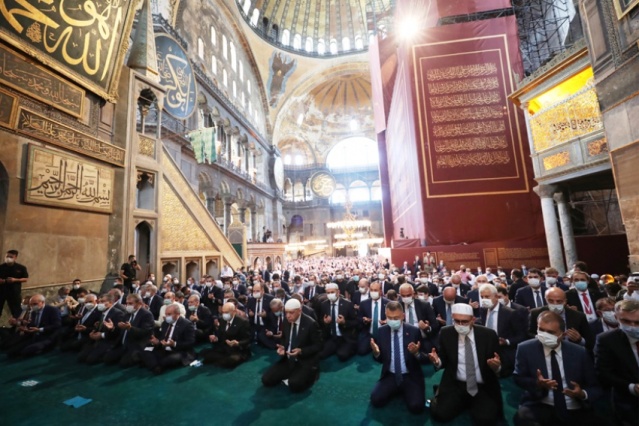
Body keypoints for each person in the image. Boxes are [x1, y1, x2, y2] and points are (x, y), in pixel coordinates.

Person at [513, 311, 603, 425]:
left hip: (574, 406)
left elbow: (595, 387)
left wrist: (582, 394)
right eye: (541, 330)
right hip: (541, 403)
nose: (544, 335)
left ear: (563, 334)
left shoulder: (579, 352)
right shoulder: (525, 349)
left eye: (550, 332)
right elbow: (519, 378)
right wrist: (537, 383)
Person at [428, 303, 503, 425]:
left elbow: (500, 361)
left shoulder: (488, 335)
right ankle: (440, 392)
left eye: (464, 321)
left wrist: (497, 367)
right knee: (440, 414)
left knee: (486, 420)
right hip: (456, 383)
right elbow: (443, 359)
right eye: (457, 321)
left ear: (473, 320)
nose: (460, 325)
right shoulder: (446, 333)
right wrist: (437, 361)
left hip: (481, 385)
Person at [369, 301, 425, 414]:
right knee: (376, 400)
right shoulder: (381, 331)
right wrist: (376, 353)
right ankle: (396, 389)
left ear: (403, 316)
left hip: (410, 375)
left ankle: (404, 390)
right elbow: (379, 360)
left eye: (396, 318)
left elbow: (424, 358)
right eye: (389, 317)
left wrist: (416, 353)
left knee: (417, 407)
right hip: (390, 375)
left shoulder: (414, 331)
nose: (392, 321)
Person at [261, 299, 323, 393]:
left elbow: (318, 346)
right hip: (288, 359)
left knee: (294, 385)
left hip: (304, 360)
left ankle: (312, 374)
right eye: (286, 312)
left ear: (299, 311)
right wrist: (282, 347)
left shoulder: (311, 324)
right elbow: (284, 338)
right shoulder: (286, 321)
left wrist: (301, 351)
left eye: (291, 313)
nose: (288, 315)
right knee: (266, 380)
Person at [594, 299, 639, 426]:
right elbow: (603, 373)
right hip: (628, 406)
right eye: (626, 321)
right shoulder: (606, 340)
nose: (632, 326)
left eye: (637, 322)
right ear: (616, 317)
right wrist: (631, 387)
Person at [478, 284, 526, 377]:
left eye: (487, 296)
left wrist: (507, 342)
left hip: (504, 353)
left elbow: (521, 336)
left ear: (496, 297)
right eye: (482, 297)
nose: (484, 299)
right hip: (485, 351)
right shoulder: (483, 311)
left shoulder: (510, 313)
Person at [528, 287, 594, 352]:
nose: (555, 304)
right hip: (543, 350)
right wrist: (540, 337)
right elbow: (529, 334)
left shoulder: (578, 316)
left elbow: (590, 341)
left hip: (570, 352)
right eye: (550, 301)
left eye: (559, 301)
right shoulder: (535, 313)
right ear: (546, 299)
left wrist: (579, 339)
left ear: (565, 301)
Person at [103, 293, 155, 367]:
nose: (128, 305)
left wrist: (130, 328)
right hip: (124, 343)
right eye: (127, 303)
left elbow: (145, 333)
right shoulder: (127, 314)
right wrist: (112, 328)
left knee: (124, 363)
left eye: (130, 303)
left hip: (137, 343)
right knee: (107, 359)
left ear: (139, 303)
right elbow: (121, 330)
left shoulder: (146, 314)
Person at [141, 304, 195, 374]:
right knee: (146, 351)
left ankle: (154, 365)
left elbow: (190, 343)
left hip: (179, 351)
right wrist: (158, 342)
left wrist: (174, 344)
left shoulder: (187, 324)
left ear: (177, 314)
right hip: (164, 349)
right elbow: (162, 339)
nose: (167, 317)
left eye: (169, 314)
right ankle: (156, 367)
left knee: (169, 359)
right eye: (166, 314)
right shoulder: (165, 323)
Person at [200, 302, 251, 368]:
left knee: (230, 361)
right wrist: (216, 338)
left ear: (234, 311)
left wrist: (238, 343)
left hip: (238, 349)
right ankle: (220, 359)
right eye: (223, 312)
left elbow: (248, 339)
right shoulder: (222, 319)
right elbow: (220, 334)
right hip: (224, 347)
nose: (224, 314)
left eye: (226, 312)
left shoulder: (243, 322)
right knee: (205, 354)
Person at [319, 283, 357, 361]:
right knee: (321, 355)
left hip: (345, 337)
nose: (330, 294)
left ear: (338, 292)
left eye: (332, 292)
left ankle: (350, 348)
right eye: (328, 293)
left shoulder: (348, 304)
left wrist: (344, 322)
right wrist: (325, 322)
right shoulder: (324, 305)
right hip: (332, 337)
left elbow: (356, 322)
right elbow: (320, 321)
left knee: (342, 356)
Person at [357, 281, 388, 355]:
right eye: (371, 290)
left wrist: (387, 321)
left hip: (383, 334)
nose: (373, 292)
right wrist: (364, 320)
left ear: (380, 291)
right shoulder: (364, 303)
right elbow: (359, 318)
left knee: (385, 353)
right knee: (361, 351)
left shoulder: (388, 303)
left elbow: (394, 318)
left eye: (375, 290)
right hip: (369, 333)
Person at [0, 250, 29, 318]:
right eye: (7, 256)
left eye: (11, 257)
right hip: (1, 292)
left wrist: (15, 280)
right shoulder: (1, 267)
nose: (8, 258)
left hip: (14, 293)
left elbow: (25, 279)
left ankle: (17, 327)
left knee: (16, 312)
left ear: (15, 257)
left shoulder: (21, 268)